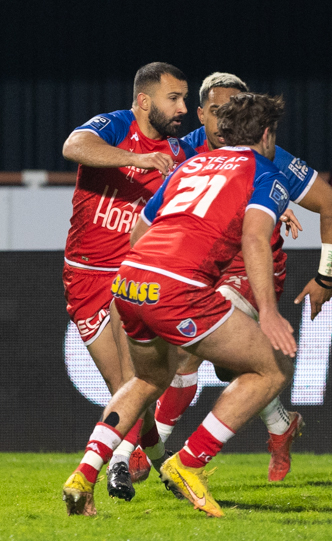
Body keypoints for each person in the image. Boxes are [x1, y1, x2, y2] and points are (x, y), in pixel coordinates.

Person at [62, 93, 297, 517]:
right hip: (178, 288)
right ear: (266, 134)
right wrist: (268, 311)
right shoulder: (265, 173)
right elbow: (255, 239)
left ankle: (84, 473)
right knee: (272, 367)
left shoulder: (191, 165)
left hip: (129, 280)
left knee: (145, 381)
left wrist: (150, 275)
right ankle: (190, 462)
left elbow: (140, 229)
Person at [152, 71, 332, 482]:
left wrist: (325, 276)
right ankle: (280, 426)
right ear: (202, 114)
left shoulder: (270, 161)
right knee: (239, 368)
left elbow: (331, 207)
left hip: (247, 269)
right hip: (194, 268)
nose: (228, 119)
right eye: (220, 110)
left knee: (192, 352)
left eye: (236, 109)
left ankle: (156, 455)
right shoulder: (180, 153)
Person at [60, 62, 195, 502]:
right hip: (84, 275)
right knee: (135, 392)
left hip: (131, 278)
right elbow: (73, 145)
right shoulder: (116, 126)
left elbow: (220, 177)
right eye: (173, 99)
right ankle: (163, 463)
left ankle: (101, 472)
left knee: (130, 384)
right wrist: (136, 159)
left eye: (184, 99)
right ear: (143, 101)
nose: (183, 108)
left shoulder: (178, 152)